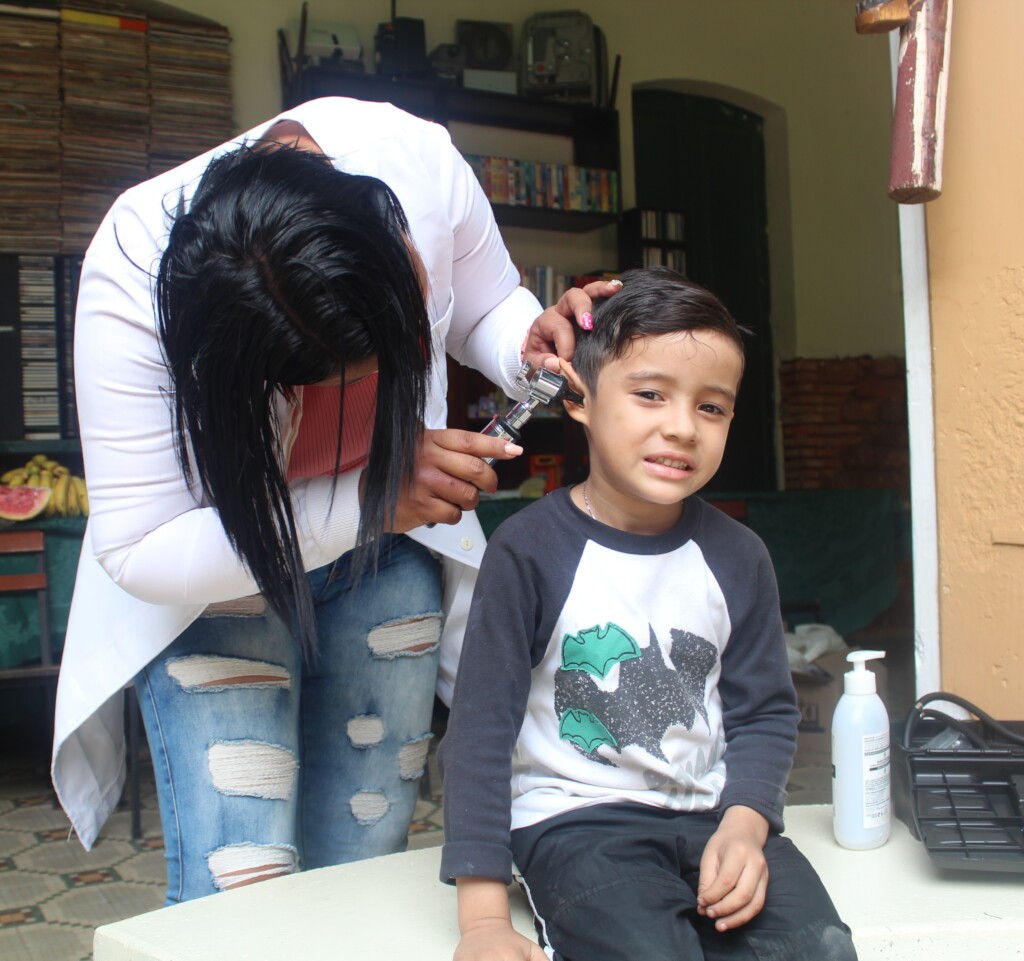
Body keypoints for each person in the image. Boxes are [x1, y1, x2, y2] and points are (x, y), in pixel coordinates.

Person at [51, 96, 618, 904]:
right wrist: (366, 500)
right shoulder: (131, 278)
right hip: (213, 585)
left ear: (383, 218)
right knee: (238, 883)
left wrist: (520, 344)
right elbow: (140, 547)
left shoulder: (411, 158)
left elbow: (487, 302)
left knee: (363, 859)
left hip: (382, 566)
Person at [439, 267, 857, 961]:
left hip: (711, 815)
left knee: (821, 949)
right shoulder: (529, 550)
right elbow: (481, 729)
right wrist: (483, 918)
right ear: (579, 398)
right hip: (577, 823)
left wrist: (747, 825)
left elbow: (764, 711)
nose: (681, 427)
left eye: (712, 407)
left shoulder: (739, 556)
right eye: (651, 394)